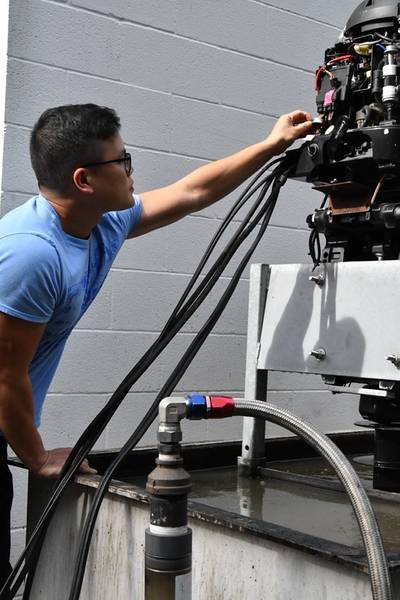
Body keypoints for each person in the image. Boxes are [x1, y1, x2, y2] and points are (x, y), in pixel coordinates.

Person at [0, 103, 313, 587]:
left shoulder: (100, 223)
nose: (131, 170)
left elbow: (193, 191)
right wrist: (38, 456)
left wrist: (272, 145)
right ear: (84, 180)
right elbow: (4, 376)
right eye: (122, 161)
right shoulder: (32, 254)